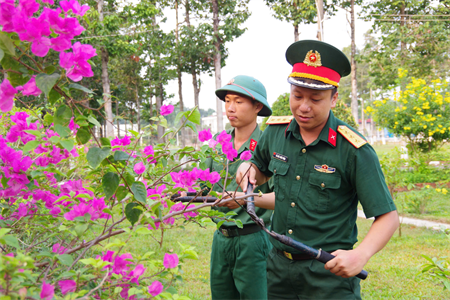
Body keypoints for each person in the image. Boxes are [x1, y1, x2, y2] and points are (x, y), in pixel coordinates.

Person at [235, 40, 399, 300]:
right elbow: (260, 166)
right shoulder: (276, 132)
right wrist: (249, 166)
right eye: (297, 96)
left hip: (328, 276)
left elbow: (388, 217)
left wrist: (360, 255)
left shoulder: (353, 150)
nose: (303, 106)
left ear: (334, 98)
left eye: (315, 99)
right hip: (277, 269)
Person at [207, 75, 275, 300]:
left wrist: (246, 198)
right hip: (221, 238)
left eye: (238, 101)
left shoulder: (268, 147)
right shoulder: (218, 143)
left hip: (253, 239)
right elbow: (200, 184)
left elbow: (281, 197)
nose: (230, 108)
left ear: (257, 106)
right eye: (227, 101)